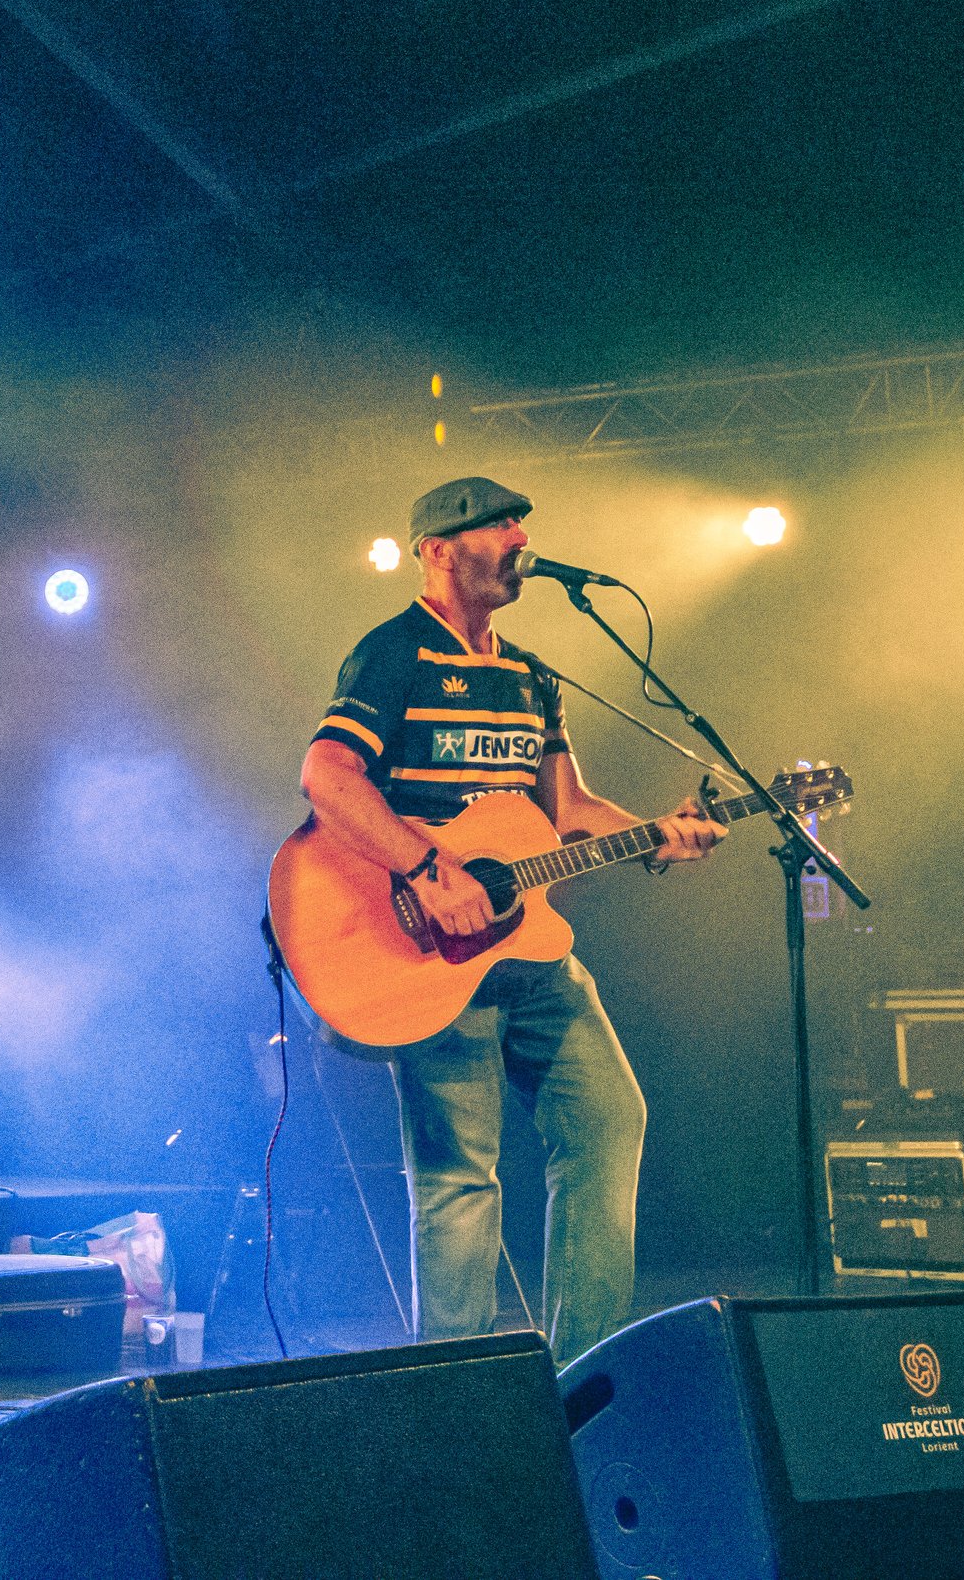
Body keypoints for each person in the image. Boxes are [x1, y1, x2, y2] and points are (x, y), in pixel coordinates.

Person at [296, 476, 725, 1367]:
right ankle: (457, 1401)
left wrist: (657, 834)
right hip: (423, 946)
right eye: (498, 523)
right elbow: (329, 778)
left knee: (610, 1120)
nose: (520, 534)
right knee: (460, 1179)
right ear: (439, 548)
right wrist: (424, 865)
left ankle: (583, 1375)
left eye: (522, 522)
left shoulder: (533, 674)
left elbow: (566, 809)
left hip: (528, 955)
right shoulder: (394, 654)